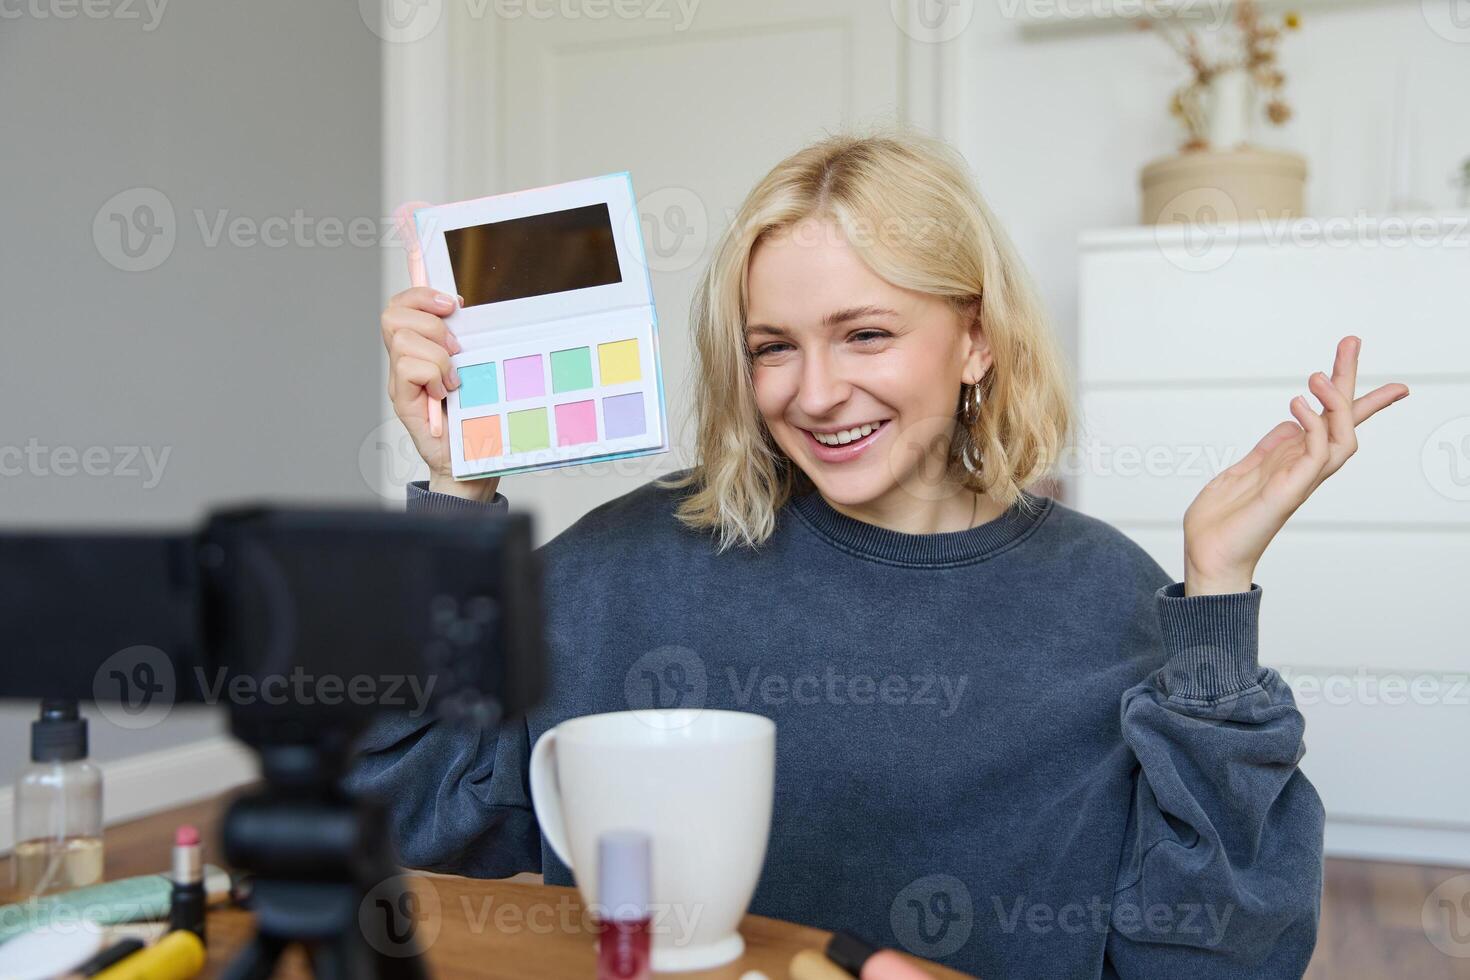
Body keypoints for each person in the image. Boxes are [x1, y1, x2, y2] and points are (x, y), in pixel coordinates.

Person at [350, 128, 1409, 978]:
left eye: (866, 333)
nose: (813, 392)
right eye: (775, 346)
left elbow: (1224, 959)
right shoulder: (631, 559)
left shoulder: (1109, 599)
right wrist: (459, 490)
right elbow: (412, 818)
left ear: (977, 340)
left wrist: (1216, 592)